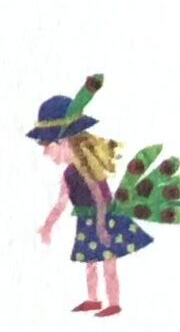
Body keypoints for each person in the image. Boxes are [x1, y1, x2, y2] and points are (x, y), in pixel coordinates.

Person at [28, 85, 149, 317]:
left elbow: (100, 198)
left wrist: (102, 226)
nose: (46, 153)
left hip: (106, 219)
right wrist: (47, 226)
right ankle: (94, 299)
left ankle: (113, 303)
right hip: (86, 221)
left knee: (109, 263)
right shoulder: (68, 174)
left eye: (48, 146)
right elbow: (61, 202)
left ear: (64, 142)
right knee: (90, 263)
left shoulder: (88, 168)